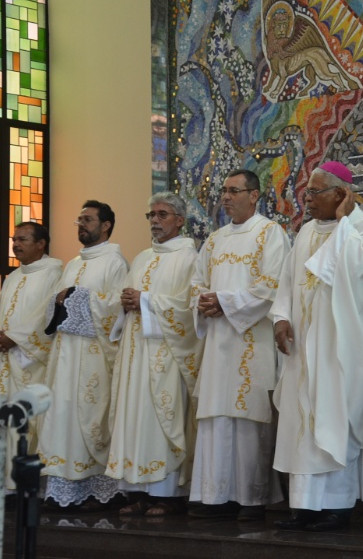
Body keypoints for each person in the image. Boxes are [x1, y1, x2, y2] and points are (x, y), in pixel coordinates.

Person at [271, 161, 363, 532]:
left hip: (339, 348)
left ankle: (337, 507)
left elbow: (347, 272)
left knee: (335, 418)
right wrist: (281, 318)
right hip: (303, 346)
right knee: (301, 421)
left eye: (314, 192)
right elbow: (288, 282)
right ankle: (304, 506)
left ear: (340, 195)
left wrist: (345, 221)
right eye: (307, 192)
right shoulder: (305, 233)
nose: (306, 199)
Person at [188, 169, 290, 520]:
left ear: (254, 194)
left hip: (252, 339)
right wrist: (203, 302)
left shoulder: (270, 234)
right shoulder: (214, 240)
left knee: (248, 415)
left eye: (234, 191)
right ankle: (214, 496)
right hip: (218, 342)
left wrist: (224, 302)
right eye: (224, 191)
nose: (226, 198)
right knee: (217, 413)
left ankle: (251, 498)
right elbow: (196, 282)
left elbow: (273, 285)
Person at [106, 193, 202, 516]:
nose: (155, 221)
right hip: (135, 354)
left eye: (162, 214)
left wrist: (145, 300)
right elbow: (126, 301)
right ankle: (137, 491)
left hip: (167, 354)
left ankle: (167, 494)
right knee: (135, 418)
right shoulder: (142, 257)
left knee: (162, 420)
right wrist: (128, 302)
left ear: (179, 220)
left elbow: (188, 309)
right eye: (151, 215)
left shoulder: (190, 257)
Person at [38, 200, 130, 508]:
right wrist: (60, 300)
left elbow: (116, 306)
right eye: (79, 220)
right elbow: (59, 302)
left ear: (105, 226)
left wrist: (78, 297)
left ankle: (97, 489)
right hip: (65, 356)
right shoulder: (73, 263)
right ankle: (63, 488)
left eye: (88, 220)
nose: (81, 225)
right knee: (61, 415)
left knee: (90, 418)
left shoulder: (115, 262)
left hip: (93, 356)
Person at [0, 222, 63, 489]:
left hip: (30, 361)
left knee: (25, 421)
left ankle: (21, 484)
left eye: (22, 239)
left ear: (41, 243)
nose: (15, 245)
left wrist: (16, 338)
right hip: (3, 359)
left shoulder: (54, 273)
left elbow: (46, 316)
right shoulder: (12, 276)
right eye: (14, 239)